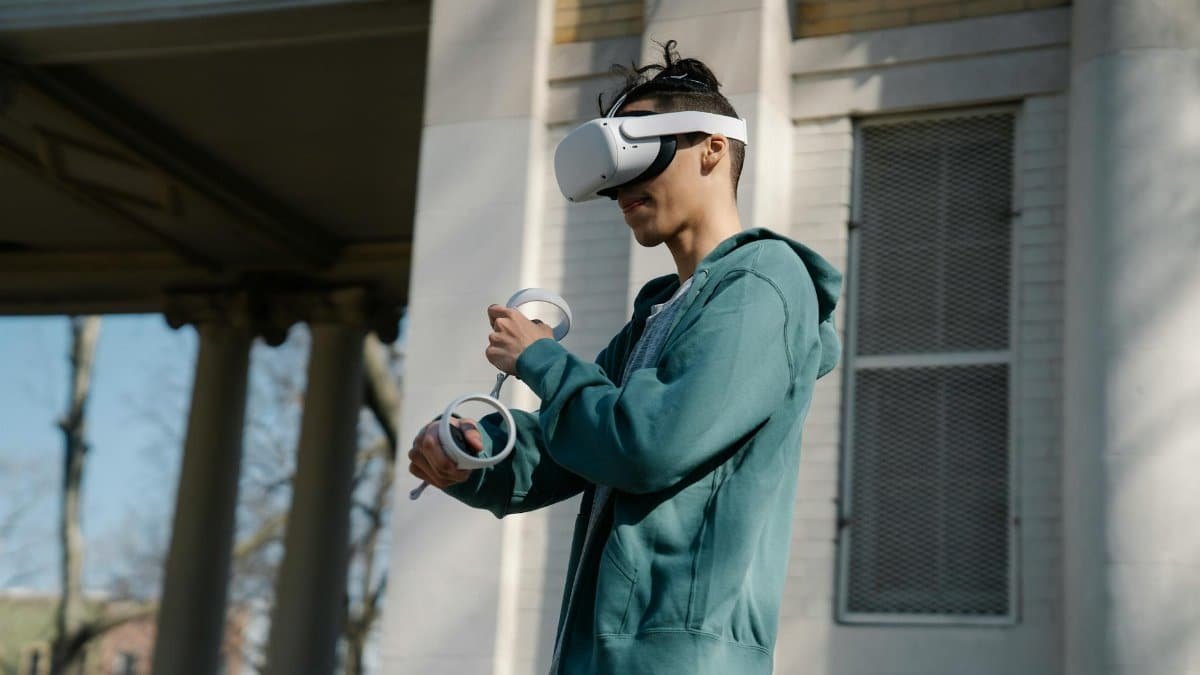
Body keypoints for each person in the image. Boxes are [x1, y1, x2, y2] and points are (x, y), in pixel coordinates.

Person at [407, 41, 842, 675]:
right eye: (614, 174)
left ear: (713, 148)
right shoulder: (659, 313)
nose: (621, 189)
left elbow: (648, 445)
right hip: (598, 654)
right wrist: (472, 454)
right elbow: (572, 447)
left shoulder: (764, 281)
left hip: (683, 658)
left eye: (640, 156)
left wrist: (541, 362)